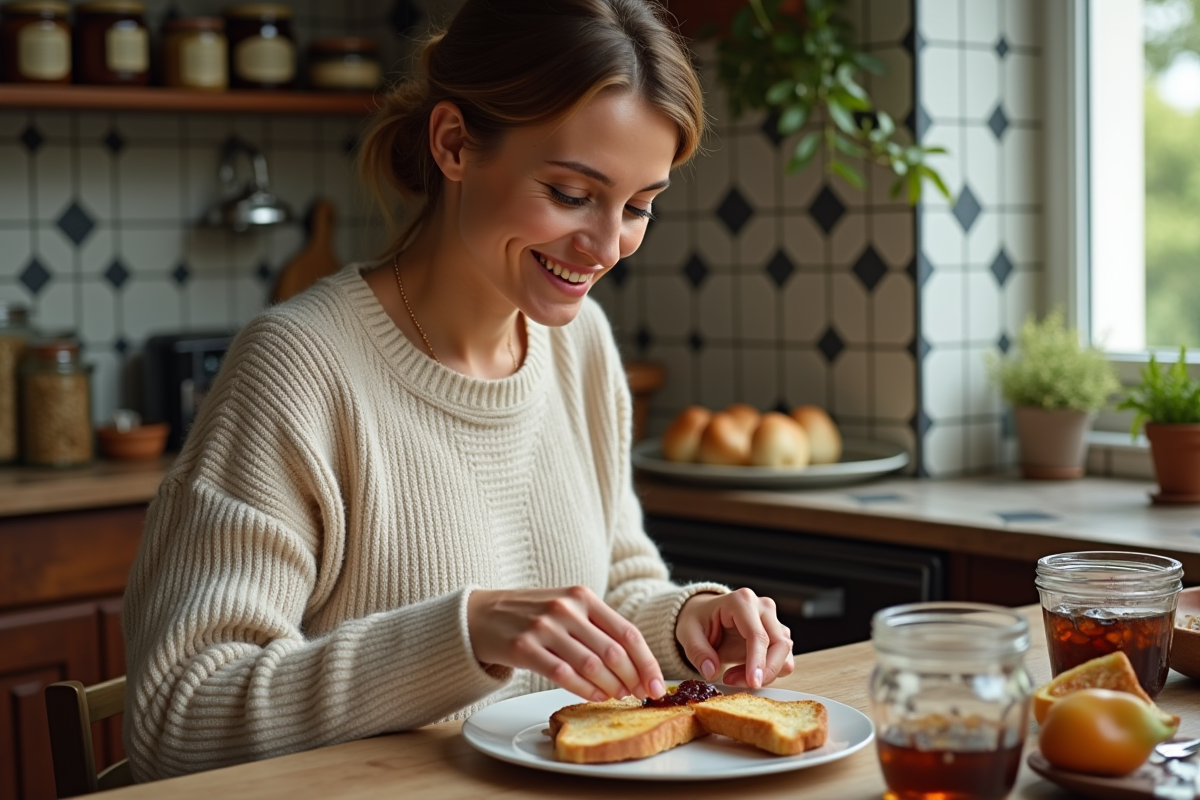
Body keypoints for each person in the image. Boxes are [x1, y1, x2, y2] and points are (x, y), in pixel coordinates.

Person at [122, 0, 794, 781]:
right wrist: (463, 635)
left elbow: (612, 588)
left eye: (640, 206)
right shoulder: (299, 368)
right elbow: (176, 718)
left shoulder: (582, 345)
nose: (608, 245)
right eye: (573, 194)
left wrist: (689, 622)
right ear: (454, 145)